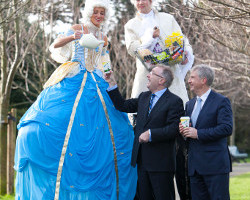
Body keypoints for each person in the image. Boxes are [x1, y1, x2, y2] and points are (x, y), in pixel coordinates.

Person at [14, 0, 137, 199]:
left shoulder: (104, 38)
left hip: (96, 81)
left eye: (101, 13)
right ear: (89, 13)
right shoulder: (77, 28)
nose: (98, 16)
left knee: (113, 131)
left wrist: (108, 73)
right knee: (52, 125)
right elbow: (55, 45)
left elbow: (104, 61)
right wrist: (73, 37)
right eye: (95, 12)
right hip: (74, 75)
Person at [125, 1, 194, 199]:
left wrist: (183, 54)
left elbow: (182, 42)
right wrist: (149, 37)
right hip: (147, 83)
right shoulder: (131, 25)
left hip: (172, 82)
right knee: (146, 135)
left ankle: (183, 193)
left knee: (180, 136)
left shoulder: (168, 19)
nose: (141, 2)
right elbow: (132, 48)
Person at [104, 64, 184, 200]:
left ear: (161, 80)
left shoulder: (174, 101)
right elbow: (122, 105)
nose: (148, 75)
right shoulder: (143, 97)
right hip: (141, 162)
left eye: (152, 73)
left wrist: (151, 134)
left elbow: (174, 129)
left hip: (161, 165)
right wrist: (111, 83)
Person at [179, 64, 233, 200]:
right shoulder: (189, 104)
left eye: (192, 77)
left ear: (203, 80)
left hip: (215, 166)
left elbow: (226, 128)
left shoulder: (221, 101)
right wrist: (184, 131)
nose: (189, 80)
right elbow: (191, 131)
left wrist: (198, 133)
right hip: (194, 167)